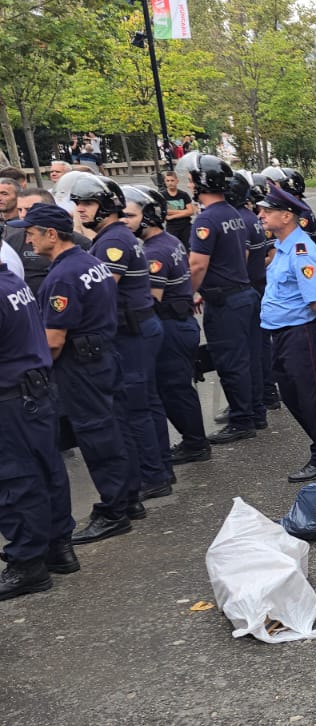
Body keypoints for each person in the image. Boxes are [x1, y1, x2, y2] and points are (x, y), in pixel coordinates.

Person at [11, 203, 132, 544]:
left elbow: (52, 342)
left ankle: (115, 510)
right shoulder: (90, 261)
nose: (29, 241)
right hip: (103, 354)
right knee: (115, 427)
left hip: (81, 365)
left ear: (52, 234)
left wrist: (35, 373)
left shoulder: (62, 276)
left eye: (32, 233)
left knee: (97, 434)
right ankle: (127, 499)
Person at [73, 176, 169, 504]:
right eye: (77, 204)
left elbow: (102, 290)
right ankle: (160, 469)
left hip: (133, 332)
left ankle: (153, 476)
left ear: (107, 206)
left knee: (135, 407)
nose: (80, 210)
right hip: (140, 327)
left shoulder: (112, 241)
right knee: (147, 402)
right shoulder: (115, 236)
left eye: (87, 203)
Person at [254, 187, 316, 482]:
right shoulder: (283, 247)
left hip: (300, 334)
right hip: (282, 333)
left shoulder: (301, 252)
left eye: (267, 211)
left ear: (286, 216)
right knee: (292, 395)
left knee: (311, 397)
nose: (260, 215)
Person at [0, 248, 77, 599]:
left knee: (16, 480)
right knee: (47, 470)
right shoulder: (10, 280)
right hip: (32, 390)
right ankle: (58, 548)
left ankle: (27, 564)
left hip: (12, 398)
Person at [123, 185, 209, 467]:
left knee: (174, 389)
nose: (124, 221)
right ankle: (195, 440)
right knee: (180, 387)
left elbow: (152, 299)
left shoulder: (153, 253)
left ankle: (195, 443)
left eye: (129, 216)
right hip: (180, 322)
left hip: (171, 325)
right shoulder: (168, 241)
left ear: (148, 217)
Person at [188, 153, 264, 444]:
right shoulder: (233, 213)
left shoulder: (206, 219)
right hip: (245, 295)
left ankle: (242, 420)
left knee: (231, 363)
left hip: (225, 302)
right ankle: (255, 412)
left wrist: (189, 293)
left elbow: (197, 264)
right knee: (251, 358)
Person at [230, 172, 277, 414]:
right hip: (259, 283)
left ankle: (255, 398)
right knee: (260, 345)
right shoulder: (251, 218)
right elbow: (269, 254)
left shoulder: (239, 220)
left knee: (248, 350)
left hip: (247, 286)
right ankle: (267, 392)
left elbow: (242, 258)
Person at [7, 187, 89, 293]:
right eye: (19, 210)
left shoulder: (81, 244)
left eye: (29, 209)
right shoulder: (12, 241)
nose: (23, 215)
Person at [159, 170, 196, 244]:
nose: (170, 183)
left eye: (172, 180)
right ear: (165, 182)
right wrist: (184, 212)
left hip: (186, 226)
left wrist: (172, 216)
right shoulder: (162, 196)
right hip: (172, 227)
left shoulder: (183, 195)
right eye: (168, 181)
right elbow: (166, 212)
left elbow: (191, 211)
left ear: (177, 181)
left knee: (189, 247)